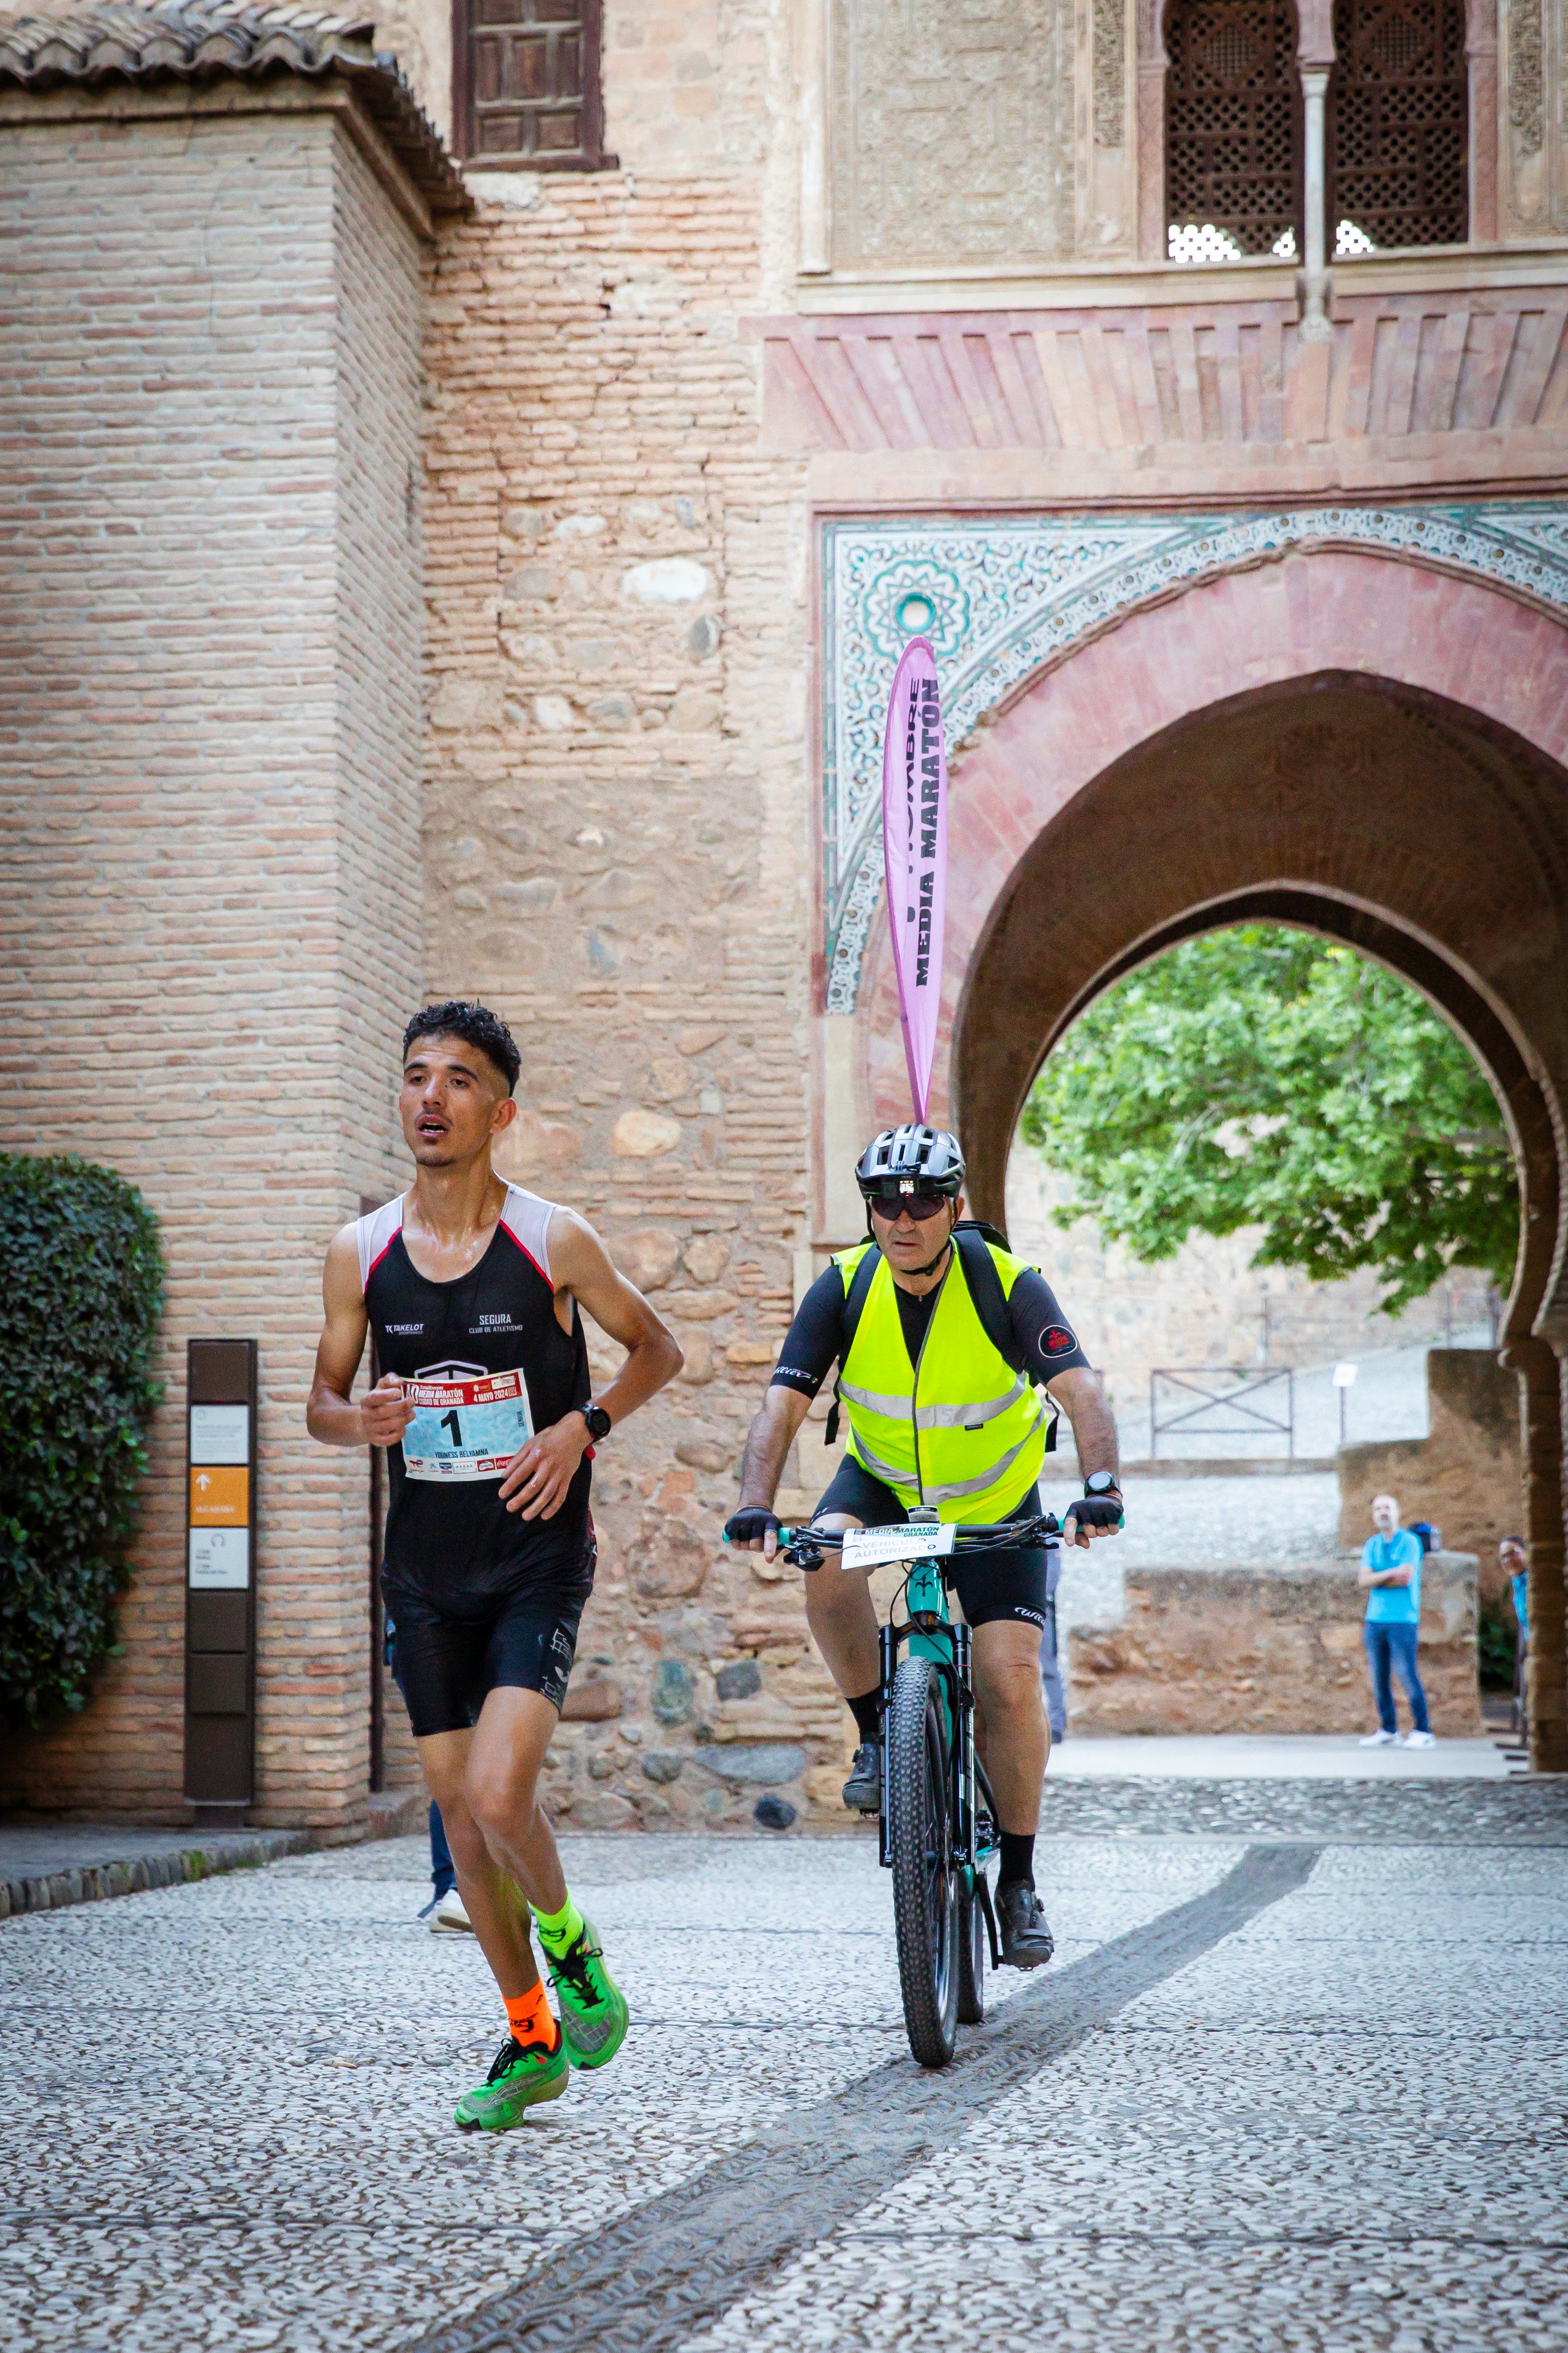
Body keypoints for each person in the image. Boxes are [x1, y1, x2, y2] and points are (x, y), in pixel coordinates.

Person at [307, 1000, 682, 2131]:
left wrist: (584, 1428)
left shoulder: (552, 1239)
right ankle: (529, 2038)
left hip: (535, 1558)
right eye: (416, 1075)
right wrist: (356, 1418)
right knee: (462, 1825)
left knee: (497, 1791)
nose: (431, 1096)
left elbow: (657, 1347)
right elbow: (321, 1402)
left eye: (459, 1080)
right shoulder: (360, 1253)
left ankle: (572, 1952)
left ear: (499, 1110)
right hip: (421, 1573)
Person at [724, 1125, 1123, 1970]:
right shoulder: (841, 1286)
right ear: (868, 1211)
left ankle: (1017, 1882)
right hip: (884, 1487)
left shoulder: (1009, 1285)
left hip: (995, 1502)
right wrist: (755, 1505)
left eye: (923, 1202)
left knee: (1008, 1677)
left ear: (956, 1208)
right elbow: (781, 1406)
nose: (903, 1218)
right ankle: (877, 1737)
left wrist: (1102, 1489)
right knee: (823, 1554)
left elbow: (1081, 1392)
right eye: (884, 1202)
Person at [1357, 1491, 1434, 1748]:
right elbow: (1363, 1580)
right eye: (1378, 1508)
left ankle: (1423, 1731)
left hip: (1403, 1619)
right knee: (1379, 1678)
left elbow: (1406, 1578)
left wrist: (1377, 1577)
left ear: (1398, 1512)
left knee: (1406, 1675)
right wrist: (1389, 1573)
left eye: (1388, 1508)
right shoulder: (1372, 1544)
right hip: (1374, 1619)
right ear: (1373, 1515)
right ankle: (1388, 1729)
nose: (1383, 1512)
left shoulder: (1411, 1542)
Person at [1499, 1533, 1529, 1739]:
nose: (1508, 1559)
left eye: (1513, 1553)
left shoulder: (1533, 1580)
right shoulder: (1517, 1580)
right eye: (1503, 1557)